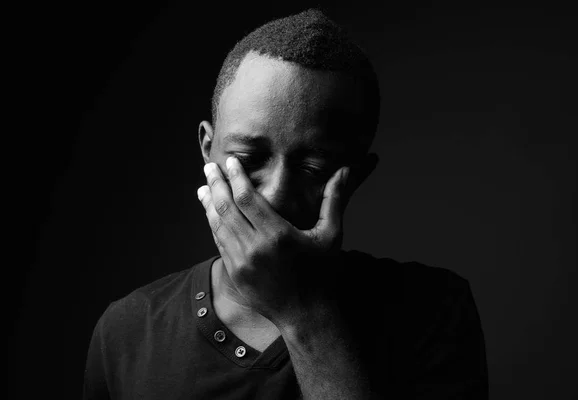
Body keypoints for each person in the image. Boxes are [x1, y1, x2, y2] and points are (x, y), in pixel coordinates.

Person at [83, 9, 488, 399]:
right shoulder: (128, 329)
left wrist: (302, 313)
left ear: (356, 176)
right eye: (248, 159)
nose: (276, 193)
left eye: (313, 167)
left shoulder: (432, 312)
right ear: (208, 149)